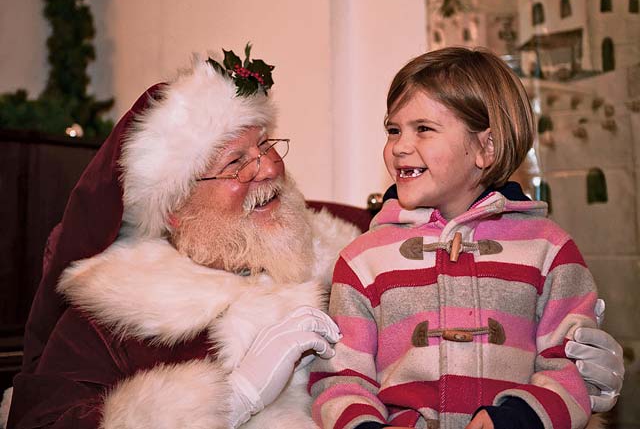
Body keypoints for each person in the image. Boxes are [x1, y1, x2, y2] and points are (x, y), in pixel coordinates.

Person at [2, 46, 623, 429]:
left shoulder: (345, 238)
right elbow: (40, 418)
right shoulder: (115, 314)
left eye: (266, 147)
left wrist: (575, 381)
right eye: (235, 162)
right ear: (173, 209)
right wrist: (231, 398)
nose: (268, 170)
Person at [309, 47, 620, 429]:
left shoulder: (550, 250)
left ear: (486, 148)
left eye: (423, 128)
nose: (400, 146)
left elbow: (570, 368)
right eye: (393, 130)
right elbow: (341, 380)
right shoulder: (363, 260)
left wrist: (516, 419)